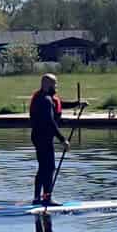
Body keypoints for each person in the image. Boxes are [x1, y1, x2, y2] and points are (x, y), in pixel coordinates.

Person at [29, 73, 69, 205]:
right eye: (54, 84)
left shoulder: (44, 97)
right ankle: (47, 198)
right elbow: (50, 122)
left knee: (43, 168)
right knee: (49, 168)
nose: (56, 86)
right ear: (46, 84)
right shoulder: (45, 100)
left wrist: (77, 104)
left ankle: (37, 198)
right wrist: (63, 139)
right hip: (43, 138)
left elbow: (59, 103)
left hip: (38, 136)